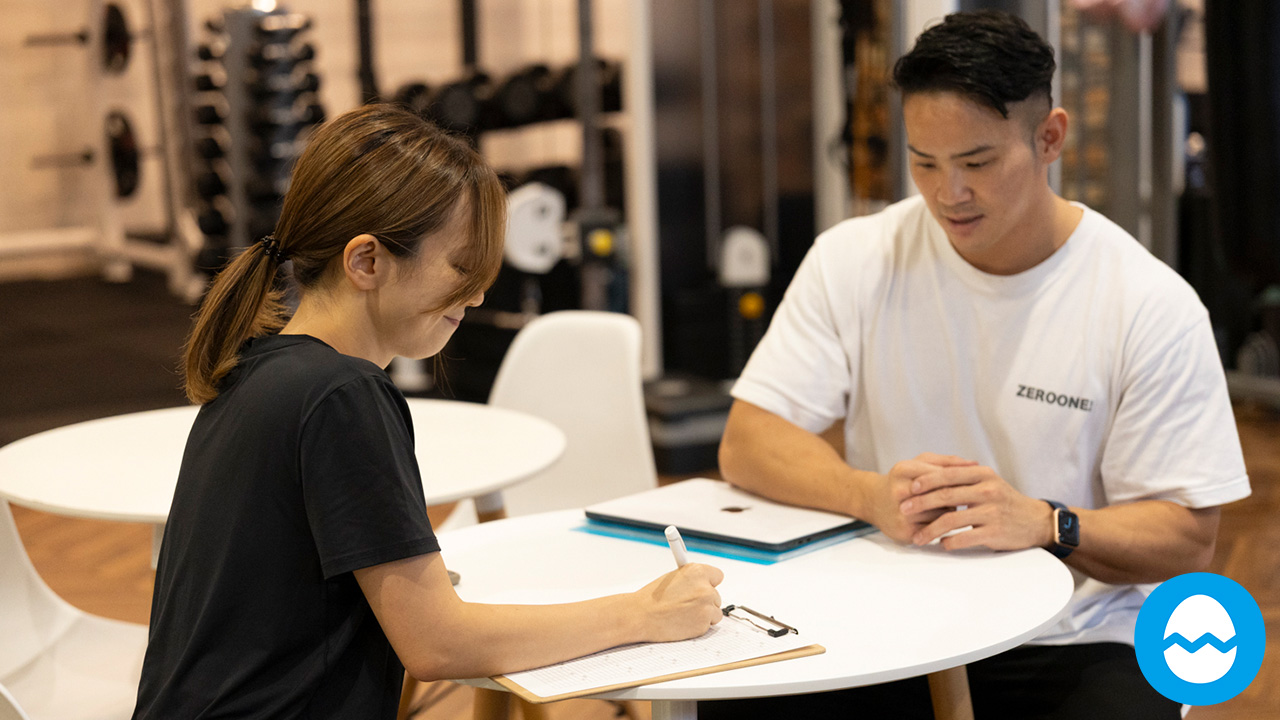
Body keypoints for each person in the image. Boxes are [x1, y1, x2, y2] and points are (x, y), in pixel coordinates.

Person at [706, 10, 1250, 720]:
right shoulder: (855, 258)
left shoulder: (1149, 304)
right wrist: (869, 496)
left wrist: (1048, 524)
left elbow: (1188, 537)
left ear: (1049, 138)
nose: (947, 193)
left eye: (977, 162)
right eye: (924, 162)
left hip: (1075, 633)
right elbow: (748, 441)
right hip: (891, 612)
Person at [131, 104, 724, 719]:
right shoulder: (343, 395)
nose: (479, 294)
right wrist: (643, 612)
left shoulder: (257, 371)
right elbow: (438, 645)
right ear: (366, 261)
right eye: (462, 267)